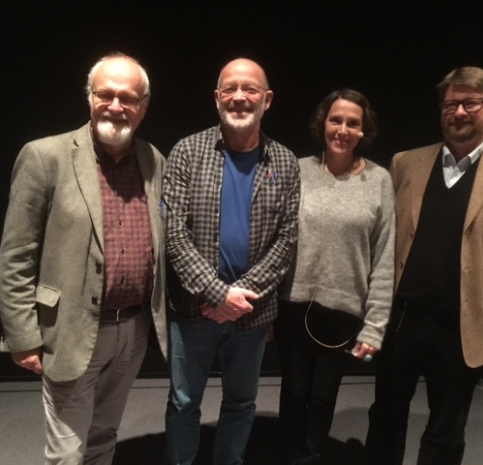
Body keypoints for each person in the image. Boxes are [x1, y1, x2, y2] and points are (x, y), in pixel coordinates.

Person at [365, 66, 483, 465]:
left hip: (462, 327)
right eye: (451, 103)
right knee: (386, 417)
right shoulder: (405, 163)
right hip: (402, 322)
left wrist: (479, 283)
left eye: (470, 103)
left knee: (446, 429)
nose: (459, 111)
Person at [0, 53, 167, 464]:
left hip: (134, 330)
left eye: (128, 98)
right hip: (70, 328)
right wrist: (22, 335)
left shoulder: (153, 160)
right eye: (105, 94)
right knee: (67, 451)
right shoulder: (45, 157)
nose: (115, 106)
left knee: (104, 434)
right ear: (89, 97)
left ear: (143, 108)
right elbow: (16, 256)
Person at [162, 58, 300, 465]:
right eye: (230, 88)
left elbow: (286, 240)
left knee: (242, 404)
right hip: (193, 311)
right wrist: (218, 293)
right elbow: (174, 235)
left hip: (251, 317)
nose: (240, 96)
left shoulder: (286, 162)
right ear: (217, 97)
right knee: (184, 403)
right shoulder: (187, 151)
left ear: (267, 99)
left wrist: (238, 300)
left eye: (250, 88)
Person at [275, 89, 395, 464]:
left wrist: (375, 325)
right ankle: (287, 455)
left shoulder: (379, 180)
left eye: (353, 123)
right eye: (336, 120)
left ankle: (310, 456)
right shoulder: (297, 169)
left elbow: (385, 256)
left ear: (363, 131)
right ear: (322, 124)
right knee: (294, 391)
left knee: (324, 396)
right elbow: (274, 240)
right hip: (292, 307)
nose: (343, 129)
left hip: (343, 312)